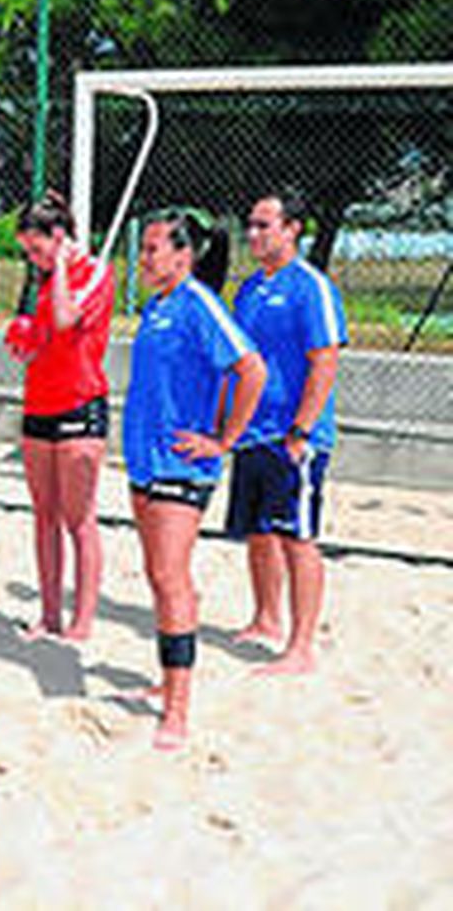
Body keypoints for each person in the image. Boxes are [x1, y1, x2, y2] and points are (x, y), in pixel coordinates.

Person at [124, 208, 267, 750]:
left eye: (153, 249)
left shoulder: (198, 303)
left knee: (170, 576)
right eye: (143, 248)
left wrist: (223, 440)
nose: (144, 258)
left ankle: (178, 711)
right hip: (146, 460)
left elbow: (251, 369)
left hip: (181, 464)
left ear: (183, 255)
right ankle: (167, 681)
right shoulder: (157, 305)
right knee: (161, 575)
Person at [226, 191, 349, 676]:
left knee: (297, 536)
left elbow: (325, 361)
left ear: (292, 229)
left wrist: (301, 430)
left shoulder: (311, 287)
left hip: (293, 436)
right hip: (253, 432)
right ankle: (266, 619)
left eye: (264, 225)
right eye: (251, 225)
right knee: (259, 532)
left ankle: (301, 647)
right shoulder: (249, 290)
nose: (253, 234)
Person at [7, 192, 114, 642]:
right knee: (44, 515)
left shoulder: (94, 273)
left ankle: (82, 621)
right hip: (39, 404)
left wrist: (66, 265)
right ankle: (50, 614)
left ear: (59, 237)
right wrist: (23, 340)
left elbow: (67, 318)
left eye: (37, 249)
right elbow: (42, 337)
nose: (33, 260)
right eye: (27, 253)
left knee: (78, 518)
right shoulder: (43, 281)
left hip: (79, 405)